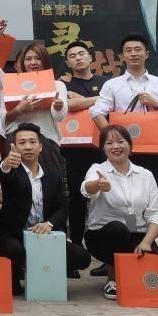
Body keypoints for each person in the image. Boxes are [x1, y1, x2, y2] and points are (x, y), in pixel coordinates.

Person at [89, 33, 158, 239]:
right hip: (122, 152)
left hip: (154, 150)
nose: (133, 54)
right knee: (120, 197)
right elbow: (96, 112)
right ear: (123, 56)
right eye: (128, 50)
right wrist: (112, 137)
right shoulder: (112, 85)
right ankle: (124, 245)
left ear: (146, 53)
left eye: (138, 49)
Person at [0, 123, 91, 295]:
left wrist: (49, 224)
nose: (28, 147)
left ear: (40, 147)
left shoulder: (53, 173)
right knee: (14, 253)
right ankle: (18, 270)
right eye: (22, 142)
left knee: (82, 257)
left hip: (44, 235)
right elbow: (3, 174)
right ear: (14, 146)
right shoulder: (12, 170)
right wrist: (6, 164)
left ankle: (41, 270)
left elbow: (63, 206)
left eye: (32, 142)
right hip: (15, 234)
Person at [82, 124, 158, 300]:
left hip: (136, 232)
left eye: (121, 141)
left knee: (150, 257)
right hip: (102, 236)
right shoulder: (98, 169)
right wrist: (98, 185)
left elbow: (156, 215)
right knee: (118, 229)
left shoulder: (145, 175)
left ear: (130, 145)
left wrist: (146, 242)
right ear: (103, 148)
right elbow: (86, 189)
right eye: (109, 143)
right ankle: (113, 280)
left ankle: (132, 276)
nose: (115, 146)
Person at [0, 21, 68, 172]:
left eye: (38, 58)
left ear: (45, 60)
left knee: (49, 182)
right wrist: (20, 110)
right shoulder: (10, 82)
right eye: (28, 59)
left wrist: (58, 106)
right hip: (16, 142)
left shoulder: (57, 84)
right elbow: (4, 119)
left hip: (47, 142)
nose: (33, 62)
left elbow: (59, 117)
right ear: (22, 62)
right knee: (17, 182)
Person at [61, 40, 109, 273]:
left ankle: (107, 257)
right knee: (77, 200)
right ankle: (76, 251)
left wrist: (81, 100)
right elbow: (66, 106)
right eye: (72, 55)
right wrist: (94, 101)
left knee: (107, 197)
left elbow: (109, 105)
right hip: (75, 149)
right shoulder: (63, 83)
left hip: (103, 147)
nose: (78, 58)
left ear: (91, 57)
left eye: (82, 53)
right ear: (67, 62)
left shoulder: (106, 82)